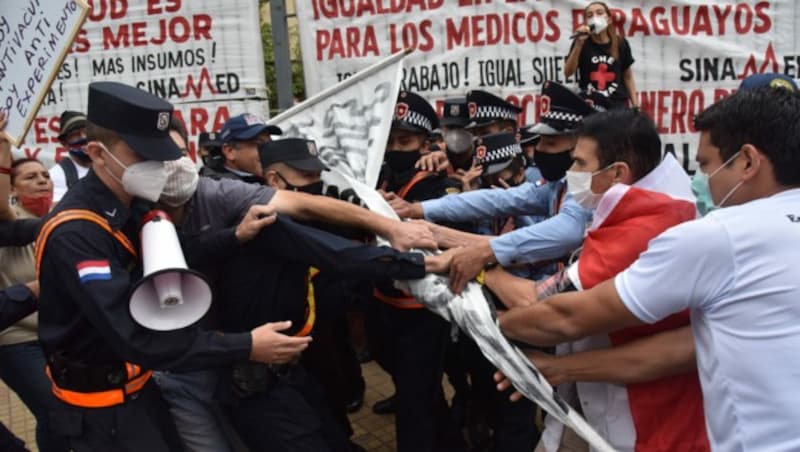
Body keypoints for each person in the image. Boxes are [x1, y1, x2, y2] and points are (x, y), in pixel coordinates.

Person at [500, 86, 800, 451]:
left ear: (748, 162)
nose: (700, 180)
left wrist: (484, 321)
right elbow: (688, 346)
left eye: (706, 164)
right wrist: (565, 368)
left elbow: (565, 318)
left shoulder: (717, 237)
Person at [35, 81, 311, 451]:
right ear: (98, 154)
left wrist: (233, 236)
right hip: (98, 413)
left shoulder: (126, 203)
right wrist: (245, 346)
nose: (157, 167)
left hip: (136, 391)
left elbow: (174, 255)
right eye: (141, 155)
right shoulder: (77, 233)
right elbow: (135, 337)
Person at [487, 109, 708, 452]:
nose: (570, 172)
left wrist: (483, 287)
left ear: (617, 172)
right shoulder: (642, 209)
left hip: (641, 422)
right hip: (595, 402)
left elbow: (545, 310)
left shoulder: (643, 228)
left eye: (579, 163)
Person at [387, 81, 599, 293]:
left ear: (578, 145)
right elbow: (496, 200)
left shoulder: (591, 184)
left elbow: (569, 230)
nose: (539, 148)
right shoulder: (558, 184)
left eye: (550, 143)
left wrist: (487, 251)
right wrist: (419, 209)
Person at [370, 90, 467, 452]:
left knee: (414, 405)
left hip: (422, 311)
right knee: (419, 392)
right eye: (391, 140)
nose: (396, 148)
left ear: (426, 143)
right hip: (382, 301)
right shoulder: (379, 175)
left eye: (406, 140)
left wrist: (410, 209)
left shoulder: (440, 183)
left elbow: (454, 222)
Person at [0, 113, 69, 452]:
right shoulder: (11, 224)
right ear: (12, 190)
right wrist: (2, 147)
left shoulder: (58, 218)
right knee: (56, 410)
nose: (43, 181)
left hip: (56, 334)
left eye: (45, 175)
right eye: (30, 177)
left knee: (59, 418)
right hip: (17, 340)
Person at [564, 1, 637, 108]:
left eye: (599, 13)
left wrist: (636, 106)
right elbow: (568, 72)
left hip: (617, 107)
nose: (595, 17)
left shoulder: (620, 43)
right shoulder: (581, 42)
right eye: (590, 15)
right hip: (591, 106)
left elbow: (628, 76)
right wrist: (579, 44)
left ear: (609, 19)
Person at [202, 113, 282, 182]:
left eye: (269, 143)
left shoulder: (263, 176)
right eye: (258, 143)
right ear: (230, 151)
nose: (268, 150)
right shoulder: (219, 189)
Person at [49, 111, 91, 203]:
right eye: (75, 134)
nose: (83, 137)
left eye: (87, 132)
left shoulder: (109, 166)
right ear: (64, 143)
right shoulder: (56, 175)